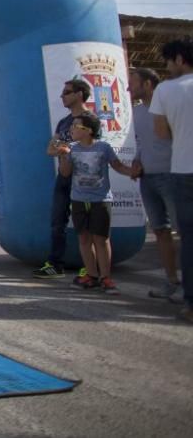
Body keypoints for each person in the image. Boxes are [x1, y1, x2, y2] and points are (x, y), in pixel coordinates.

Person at [54, 110, 134, 294]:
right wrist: (64, 155)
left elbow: (118, 166)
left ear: (89, 130)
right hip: (79, 199)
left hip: (101, 200)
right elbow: (65, 173)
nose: (72, 129)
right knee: (83, 239)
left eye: (76, 126)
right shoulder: (72, 148)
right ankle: (91, 275)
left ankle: (106, 277)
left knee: (101, 239)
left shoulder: (104, 148)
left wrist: (133, 172)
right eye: (72, 126)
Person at [149, 38, 193, 323]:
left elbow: (162, 133)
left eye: (167, 61)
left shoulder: (166, 89)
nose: (166, 67)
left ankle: (190, 304)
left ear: (178, 59)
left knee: (188, 238)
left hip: (184, 169)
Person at [128, 67, 180, 301]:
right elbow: (141, 142)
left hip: (172, 176)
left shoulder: (170, 104)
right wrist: (137, 160)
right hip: (147, 178)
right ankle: (171, 282)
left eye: (133, 82)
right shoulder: (137, 112)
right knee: (160, 231)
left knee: (185, 232)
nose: (129, 87)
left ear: (148, 84)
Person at [34, 77, 93, 279]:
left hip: (84, 180)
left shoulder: (90, 119)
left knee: (85, 225)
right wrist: (62, 150)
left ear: (79, 94)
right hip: (64, 176)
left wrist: (66, 149)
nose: (62, 96)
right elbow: (51, 148)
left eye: (66, 92)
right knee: (57, 221)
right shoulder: (64, 122)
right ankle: (55, 263)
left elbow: (92, 147)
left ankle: (90, 267)